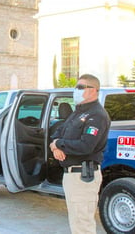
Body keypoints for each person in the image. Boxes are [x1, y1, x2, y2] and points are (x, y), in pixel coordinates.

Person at [49, 74, 111, 234]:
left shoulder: (97, 115)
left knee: (83, 224)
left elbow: (86, 146)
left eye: (80, 87)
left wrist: (59, 144)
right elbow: (58, 132)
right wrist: (55, 146)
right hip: (71, 176)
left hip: (83, 176)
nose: (76, 90)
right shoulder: (78, 113)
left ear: (93, 90)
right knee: (76, 222)